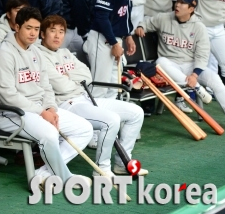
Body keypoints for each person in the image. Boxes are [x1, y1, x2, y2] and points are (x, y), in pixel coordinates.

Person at [0, 7, 93, 186]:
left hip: (38, 110)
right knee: (50, 133)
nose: (33, 33)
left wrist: (51, 107)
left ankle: (41, 174)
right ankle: (66, 178)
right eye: (28, 28)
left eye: (36, 29)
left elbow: (46, 86)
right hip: (10, 113)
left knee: (85, 129)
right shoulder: (3, 54)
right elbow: (8, 96)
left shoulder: (36, 52)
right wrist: (42, 112)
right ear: (17, 27)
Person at [39, 15, 147, 178]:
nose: (57, 36)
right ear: (42, 34)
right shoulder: (39, 56)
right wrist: (74, 78)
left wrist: (70, 77)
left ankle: (122, 163)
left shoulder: (65, 52)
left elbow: (87, 75)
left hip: (84, 99)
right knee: (111, 120)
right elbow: (60, 85)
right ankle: (102, 169)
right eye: (52, 31)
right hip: (66, 104)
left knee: (136, 112)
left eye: (61, 31)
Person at [136, 0, 225, 130]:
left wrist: (194, 75)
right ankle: (197, 89)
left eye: (183, 3)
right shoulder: (163, 18)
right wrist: (141, 27)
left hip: (190, 66)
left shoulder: (199, 26)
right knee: (161, 62)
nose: (178, 5)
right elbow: (146, 23)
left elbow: (202, 54)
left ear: (191, 9)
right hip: (170, 66)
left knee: (215, 79)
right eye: (177, 1)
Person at [83, 0, 136, 99]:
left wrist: (128, 35)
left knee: (114, 88)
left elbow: (124, 12)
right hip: (102, 38)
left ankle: (111, 124)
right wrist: (114, 43)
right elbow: (101, 17)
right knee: (100, 88)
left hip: (115, 38)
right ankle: (93, 122)